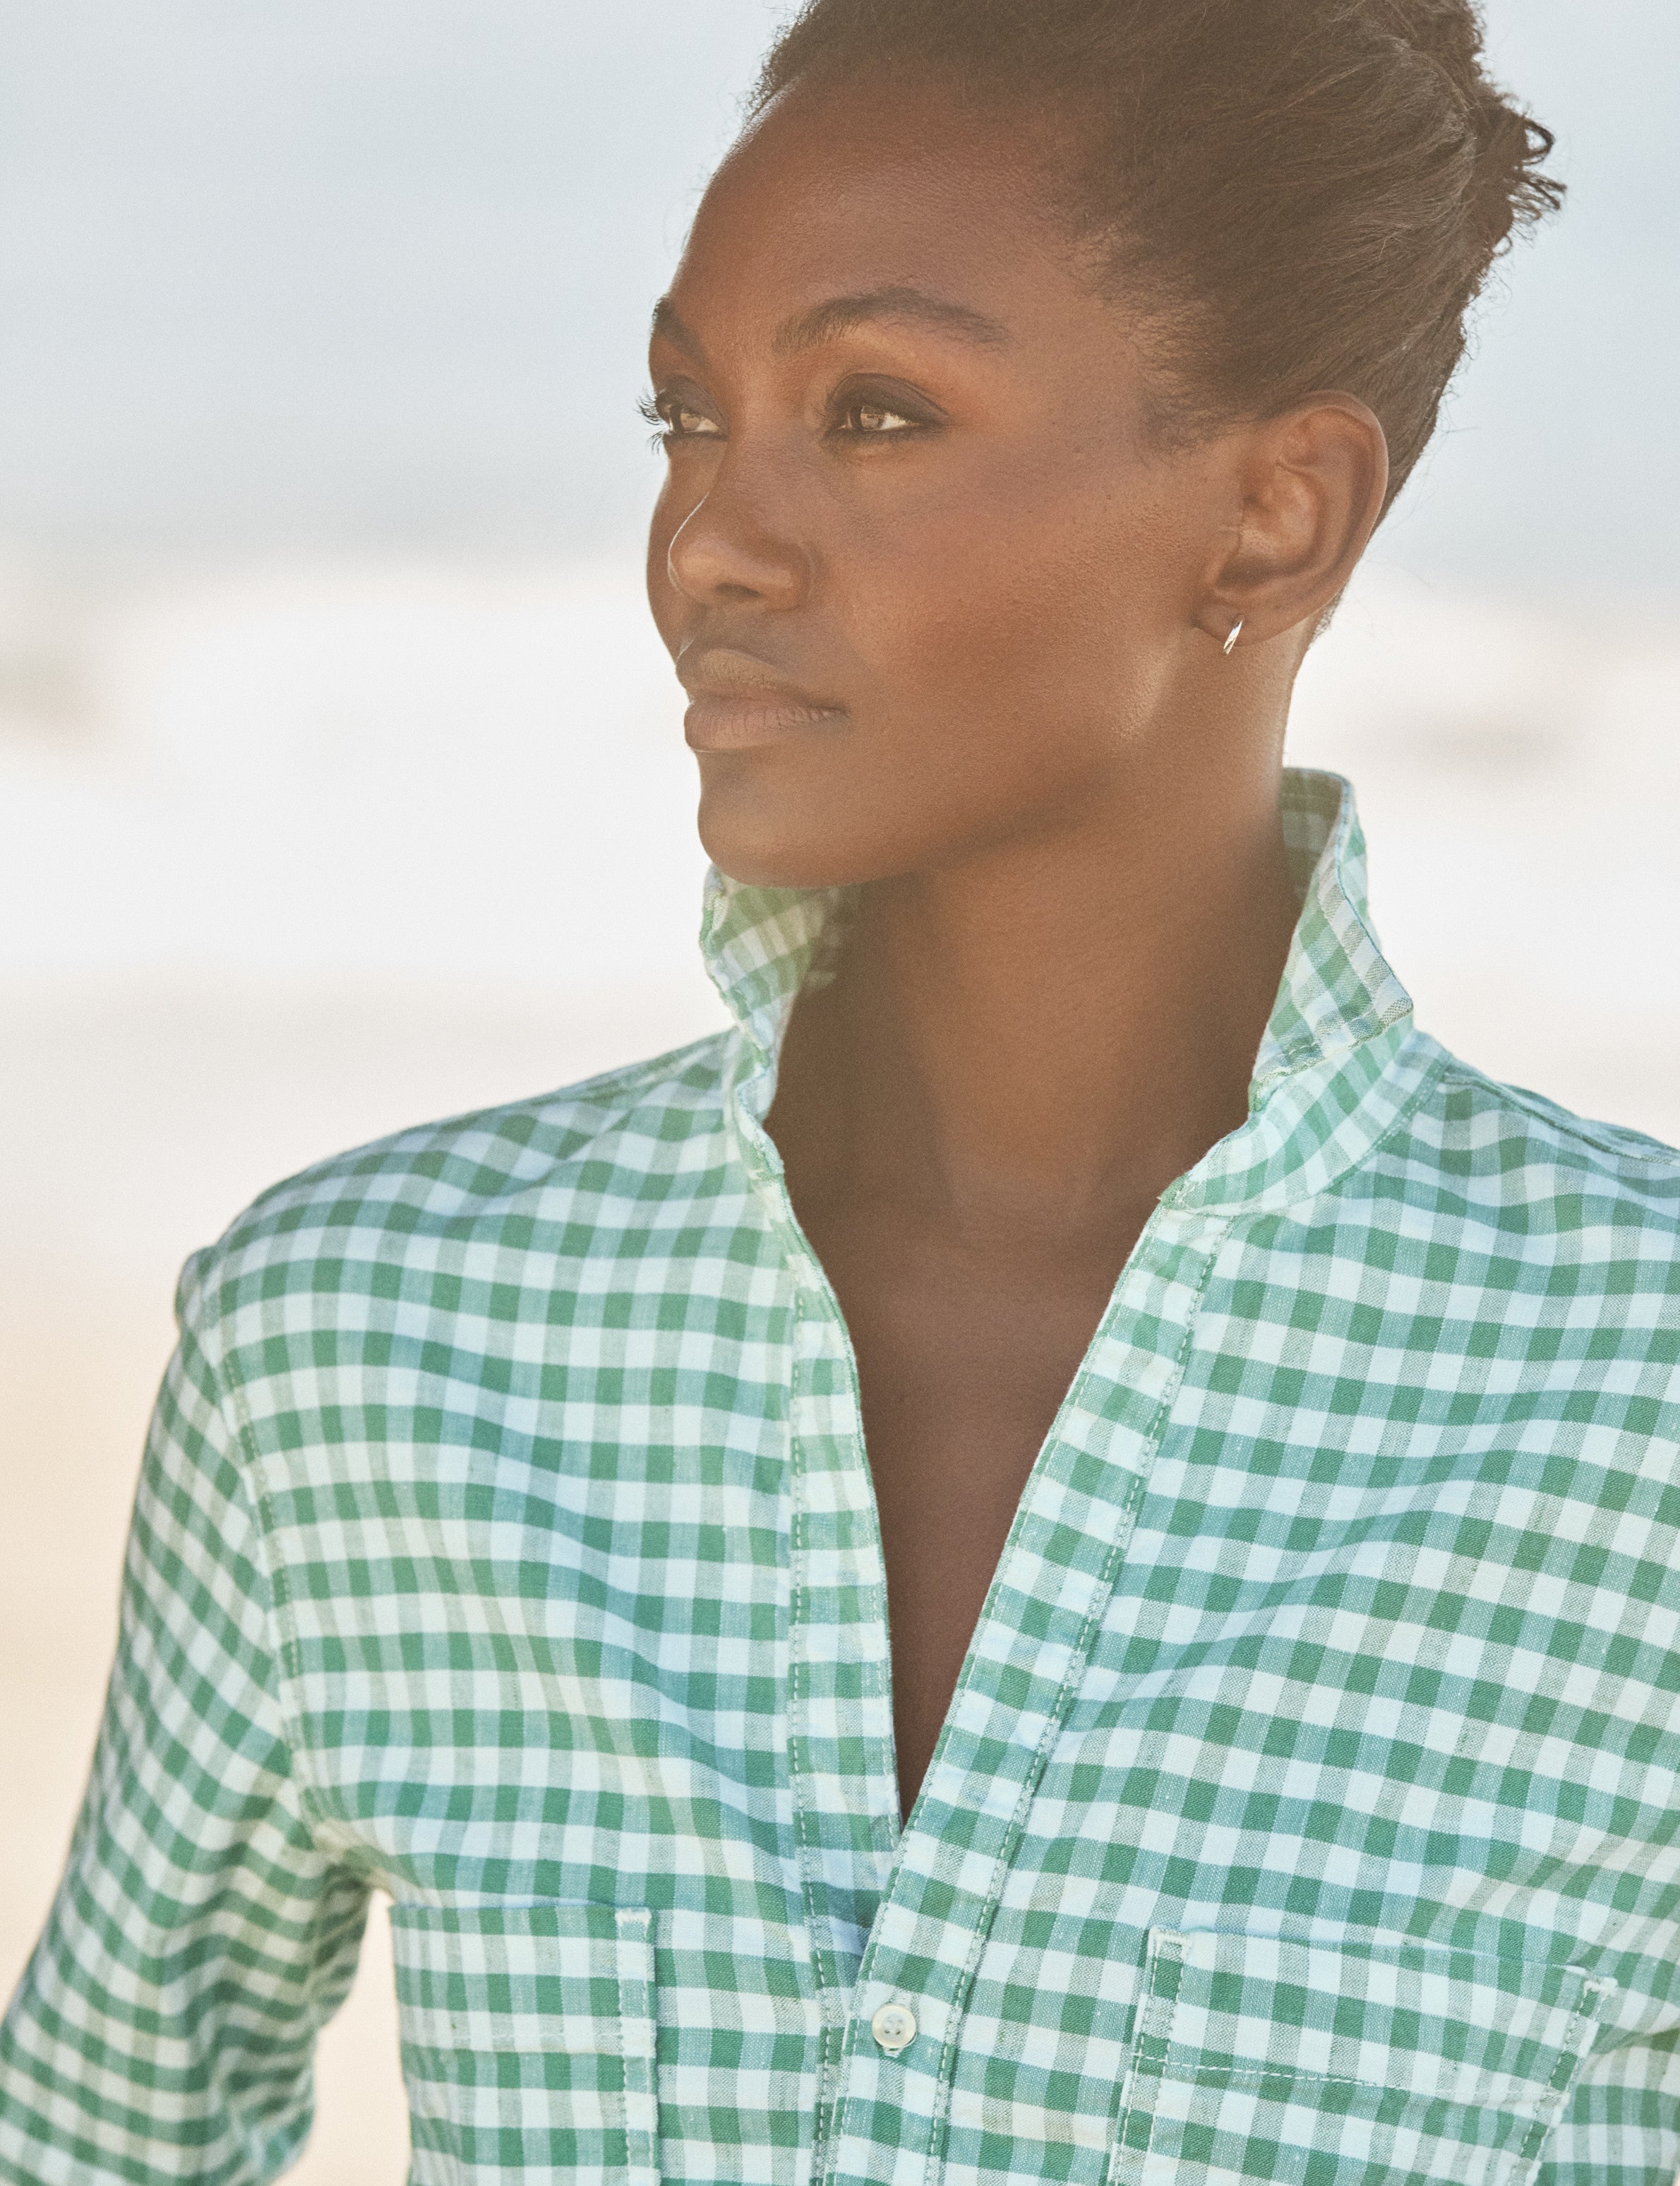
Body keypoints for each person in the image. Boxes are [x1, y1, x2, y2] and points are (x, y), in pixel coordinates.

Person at [5, 3, 1677, 2183]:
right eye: (685, 415)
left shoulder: (1632, 1407)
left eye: (873, 415)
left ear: (1274, 517)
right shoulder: (363, 1346)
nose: (708, 542)